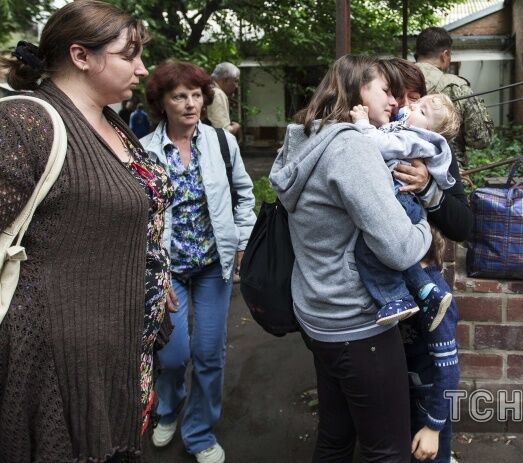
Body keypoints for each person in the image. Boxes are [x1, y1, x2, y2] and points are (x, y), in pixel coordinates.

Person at [0, 1, 176, 461]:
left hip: (124, 345)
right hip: (62, 358)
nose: (141, 69)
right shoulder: (24, 122)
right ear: (81, 56)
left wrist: (155, 274)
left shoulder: (112, 122)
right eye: (129, 54)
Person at [269, 54, 432, 462]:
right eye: (386, 90)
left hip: (318, 315)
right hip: (359, 326)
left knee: (336, 438)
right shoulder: (351, 148)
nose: (396, 101)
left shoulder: (304, 138)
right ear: (358, 88)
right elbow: (399, 248)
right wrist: (423, 225)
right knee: (387, 450)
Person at [140, 60, 256, 463]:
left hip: (213, 267)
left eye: (195, 95)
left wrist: (241, 241)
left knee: (209, 353)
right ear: (162, 103)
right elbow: (141, 215)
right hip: (169, 271)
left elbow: (244, 194)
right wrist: (154, 273)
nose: (190, 104)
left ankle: (200, 430)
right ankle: (168, 409)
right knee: (172, 355)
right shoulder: (144, 149)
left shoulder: (222, 143)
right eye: (179, 97)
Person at [383, 58, 473, 463]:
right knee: (387, 387)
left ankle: (437, 439)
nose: (404, 104)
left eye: (413, 97)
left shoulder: (432, 148)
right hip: (376, 288)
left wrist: (429, 189)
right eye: (396, 94)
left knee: (431, 367)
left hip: (421, 275)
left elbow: (462, 224)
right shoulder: (374, 137)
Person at [349, 93, 459, 327]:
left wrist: (361, 122)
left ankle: (394, 298)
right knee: (393, 247)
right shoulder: (405, 130)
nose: (410, 106)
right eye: (415, 104)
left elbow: (378, 144)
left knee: (368, 248)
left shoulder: (416, 139)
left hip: (401, 201)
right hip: (400, 200)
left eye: (421, 110)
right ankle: (426, 290)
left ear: (430, 130)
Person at [415, 26, 493, 168]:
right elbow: (481, 139)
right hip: (449, 173)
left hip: (402, 172)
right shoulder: (456, 87)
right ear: (445, 55)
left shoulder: (396, 78)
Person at [206, 62, 241, 135]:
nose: (237, 86)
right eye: (236, 81)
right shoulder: (217, 94)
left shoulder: (208, 89)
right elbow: (222, 131)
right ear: (225, 80)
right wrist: (235, 127)